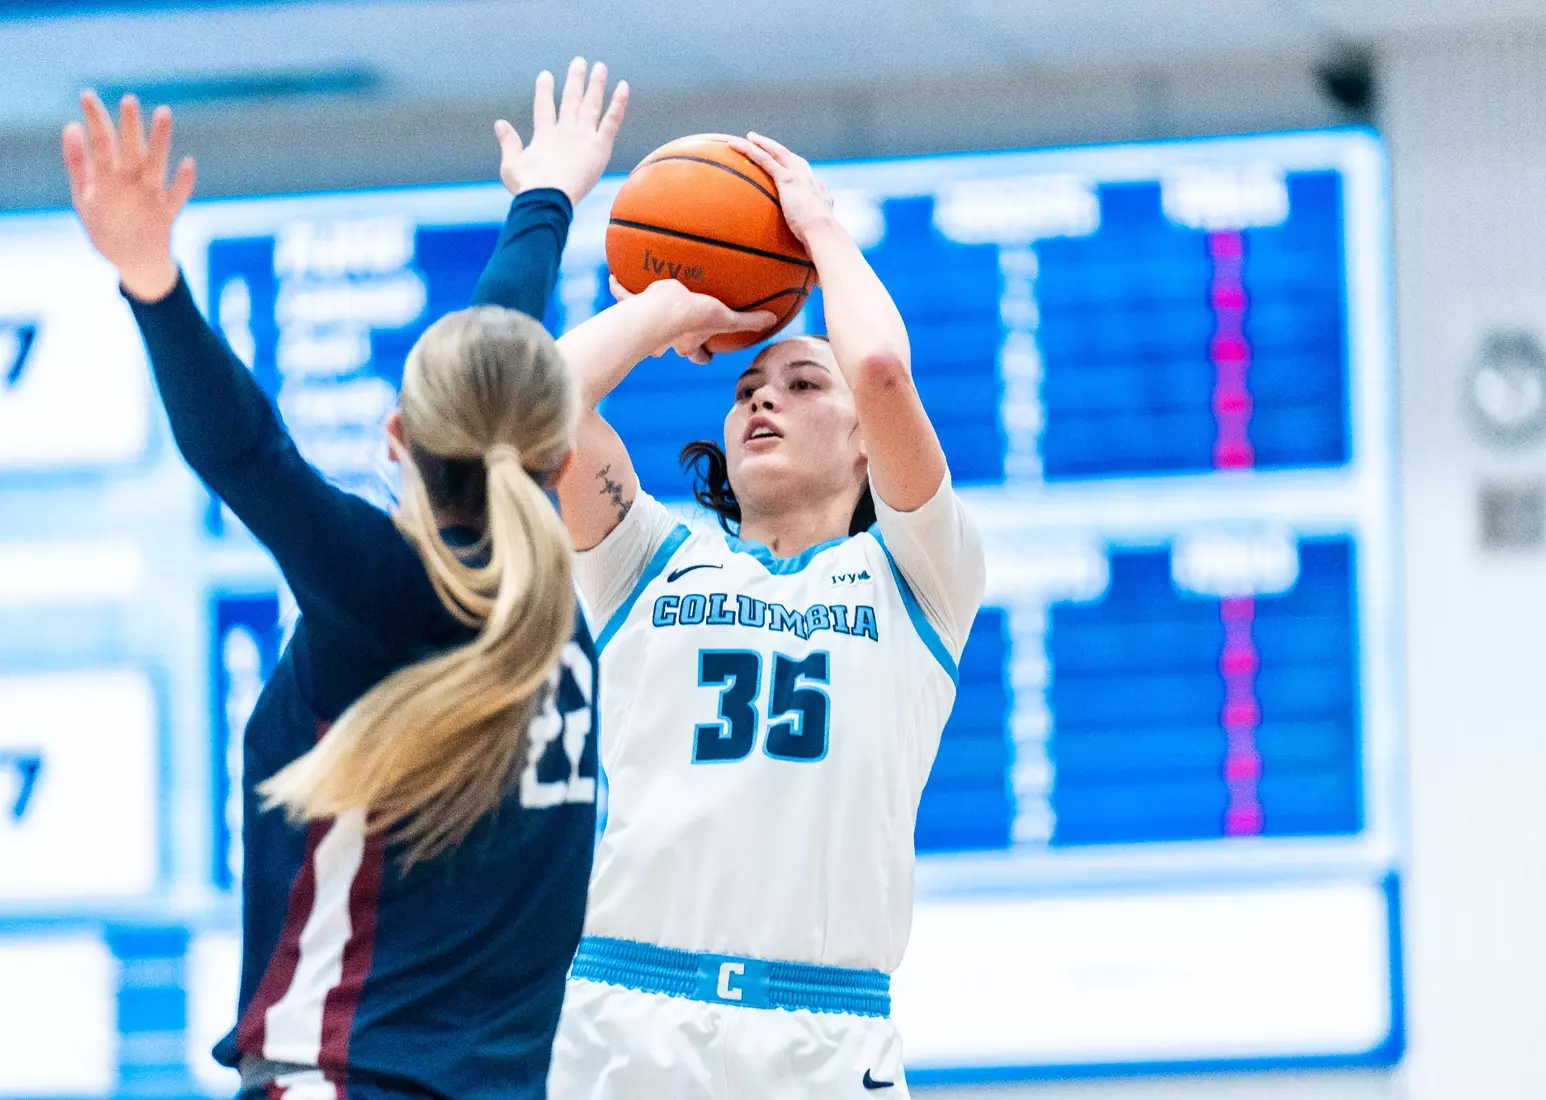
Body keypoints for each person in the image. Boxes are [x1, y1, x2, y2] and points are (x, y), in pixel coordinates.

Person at [62, 60, 627, 1100]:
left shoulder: (388, 593)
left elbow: (250, 456)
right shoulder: (553, 616)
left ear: (397, 437)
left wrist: (156, 285)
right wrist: (542, 205)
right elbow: (494, 368)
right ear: (557, 458)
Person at [546, 133, 988, 1099]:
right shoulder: (648, 562)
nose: (762, 401)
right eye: (748, 387)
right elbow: (538, 402)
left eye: (799, 385)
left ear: (868, 444)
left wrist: (817, 224)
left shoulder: (919, 577)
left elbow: (877, 362)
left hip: (824, 1028)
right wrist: (663, 307)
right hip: (625, 1008)